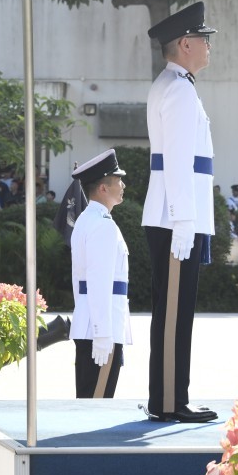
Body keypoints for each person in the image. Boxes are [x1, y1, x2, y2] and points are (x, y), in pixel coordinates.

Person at [141, 1, 218, 423]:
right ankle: (169, 401)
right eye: (204, 40)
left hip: (175, 217)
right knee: (173, 314)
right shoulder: (179, 90)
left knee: (174, 311)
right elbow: (177, 162)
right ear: (185, 44)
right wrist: (186, 221)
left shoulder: (175, 86)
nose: (209, 47)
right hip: (176, 220)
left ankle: (169, 397)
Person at [69, 149, 132, 399]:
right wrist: (103, 332)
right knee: (96, 405)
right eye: (118, 180)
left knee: (91, 399)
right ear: (103, 188)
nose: (123, 185)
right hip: (100, 330)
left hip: (92, 324)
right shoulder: (102, 226)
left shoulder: (88, 220)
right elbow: (98, 282)